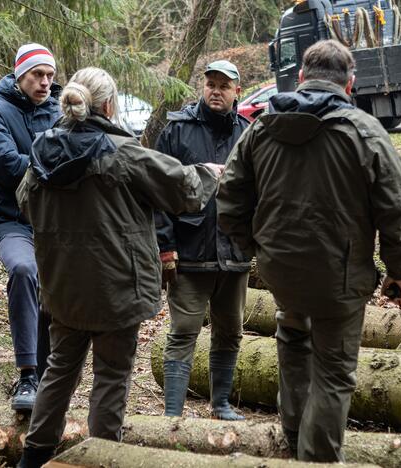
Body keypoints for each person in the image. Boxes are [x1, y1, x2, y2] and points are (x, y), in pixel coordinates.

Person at [217, 40, 401, 462]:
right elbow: (396, 207)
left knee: (292, 342)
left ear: (303, 78)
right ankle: (317, 457)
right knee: (333, 371)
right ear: (350, 84)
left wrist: (256, 249)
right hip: (339, 277)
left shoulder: (261, 129)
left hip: (281, 272)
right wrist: (398, 270)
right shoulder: (364, 132)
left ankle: (293, 436)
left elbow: (229, 198)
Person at [15, 67, 223, 468]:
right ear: (109, 105)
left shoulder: (42, 151)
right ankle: (102, 457)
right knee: (111, 376)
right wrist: (210, 175)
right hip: (118, 289)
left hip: (64, 288)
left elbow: (26, 204)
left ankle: (34, 456)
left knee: (59, 369)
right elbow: (185, 190)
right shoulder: (122, 153)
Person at [155, 60, 251, 420]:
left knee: (230, 332)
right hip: (189, 254)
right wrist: (166, 248)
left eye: (224, 86)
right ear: (202, 86)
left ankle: (221, 404)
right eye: (210, 84)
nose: (216, 90)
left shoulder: (248, 132)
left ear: (237, 92)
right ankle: (172, 415)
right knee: (183, 333)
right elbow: (159, 193)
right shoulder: (177, 131)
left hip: (234, 253)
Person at [0, 43, 59, 411]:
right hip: (8, 220)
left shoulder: (60, 111)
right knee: (25, 270)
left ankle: (46, 376)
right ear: (19, 74)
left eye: (50, 76)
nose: (44, 82)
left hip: (54, 223)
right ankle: (27, 376)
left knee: (55, 290)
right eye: (37, 75)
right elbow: (9, 167)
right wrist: (58, 163)